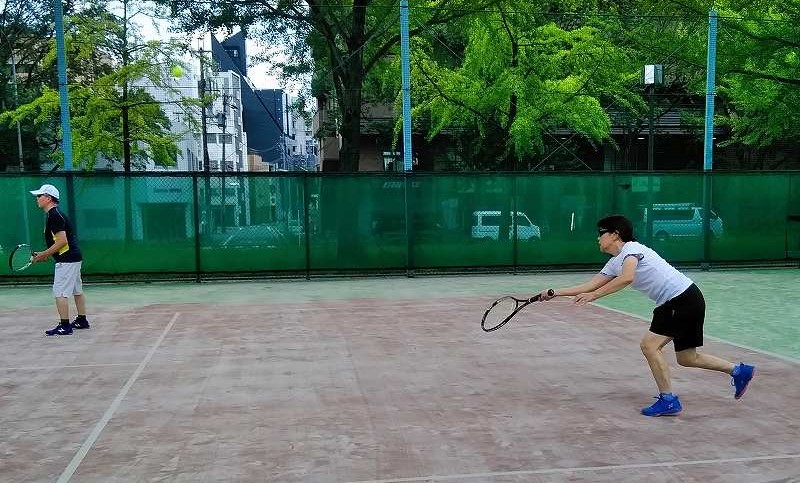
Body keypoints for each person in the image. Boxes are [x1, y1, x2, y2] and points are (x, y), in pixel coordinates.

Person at [539, 214, 755, 417]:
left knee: (649, 346)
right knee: (687, 358)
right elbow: (590, 284)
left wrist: (594, 296)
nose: (598, 238)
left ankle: (668, 400)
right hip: (685, 299)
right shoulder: (614, 262)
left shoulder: (631, 249)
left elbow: (627, 278)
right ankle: (738, 371)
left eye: (601, 233)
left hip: (680, 299)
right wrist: (554, 292)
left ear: (615, 234)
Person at [29, 184, 90, 336]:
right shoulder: (55, 214)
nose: (37, 198)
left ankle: (65, 326)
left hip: (67, 259)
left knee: (60, 292)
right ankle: (82, 320)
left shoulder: (54, 216)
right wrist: (46, 254)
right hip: (73, 256)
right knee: (77, 290)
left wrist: (44, 254)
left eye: (39, 196)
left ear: (48, 198)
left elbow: (62, 241)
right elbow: (59, 241)